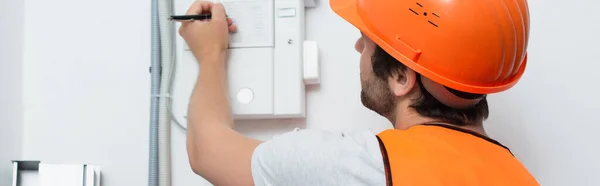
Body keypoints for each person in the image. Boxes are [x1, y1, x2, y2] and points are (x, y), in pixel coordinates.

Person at [178, 0, 538, 185]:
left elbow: (206, 151)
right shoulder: (522, 179)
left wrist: (210, 54)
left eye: (369, 43)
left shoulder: (358, 165)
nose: (357, 47)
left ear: (401, 76)